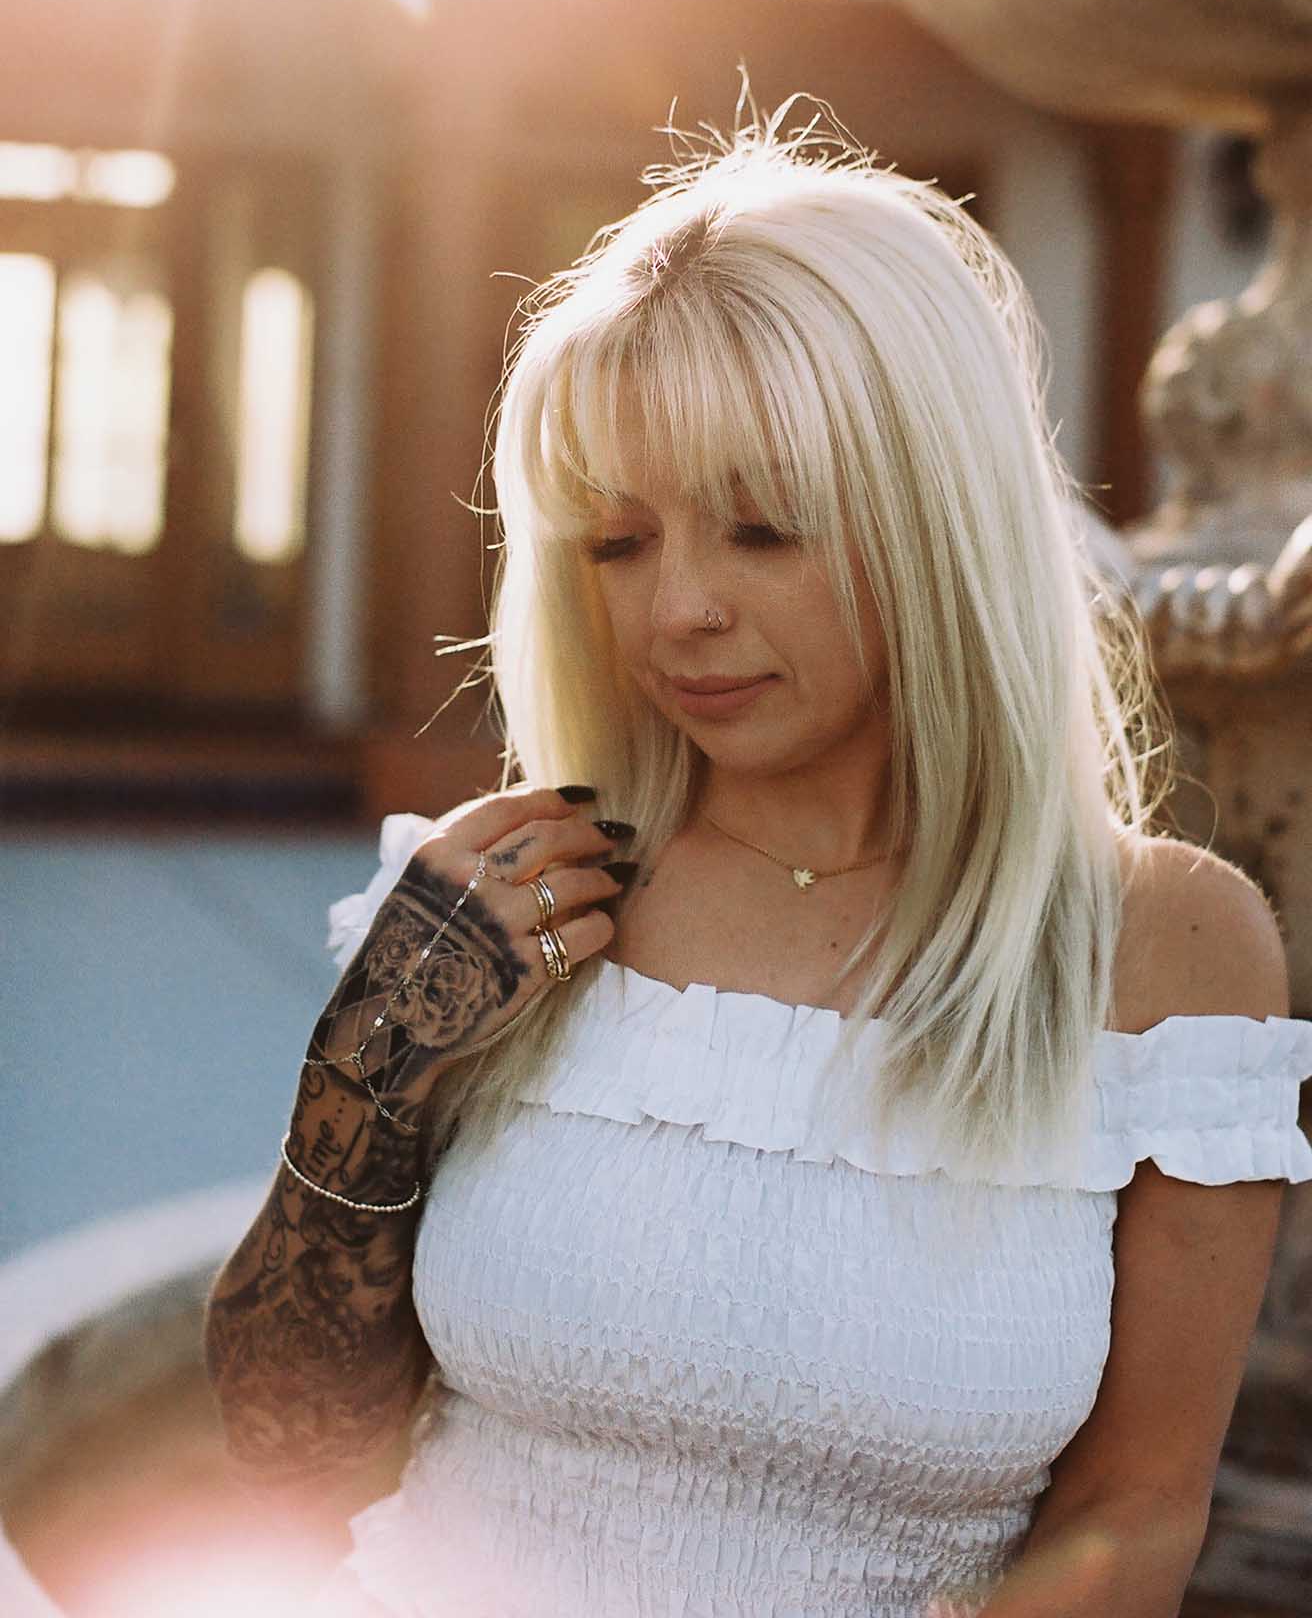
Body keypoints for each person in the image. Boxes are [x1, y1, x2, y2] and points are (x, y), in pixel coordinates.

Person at [205, 102, 1312, 1618]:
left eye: (762, 532)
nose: (678, 615)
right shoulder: (516, 888)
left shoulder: (1167, 951)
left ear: (936, 523)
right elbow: (288, 1453)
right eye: (620, 543)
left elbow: (1137, 1508)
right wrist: (364, 1075)